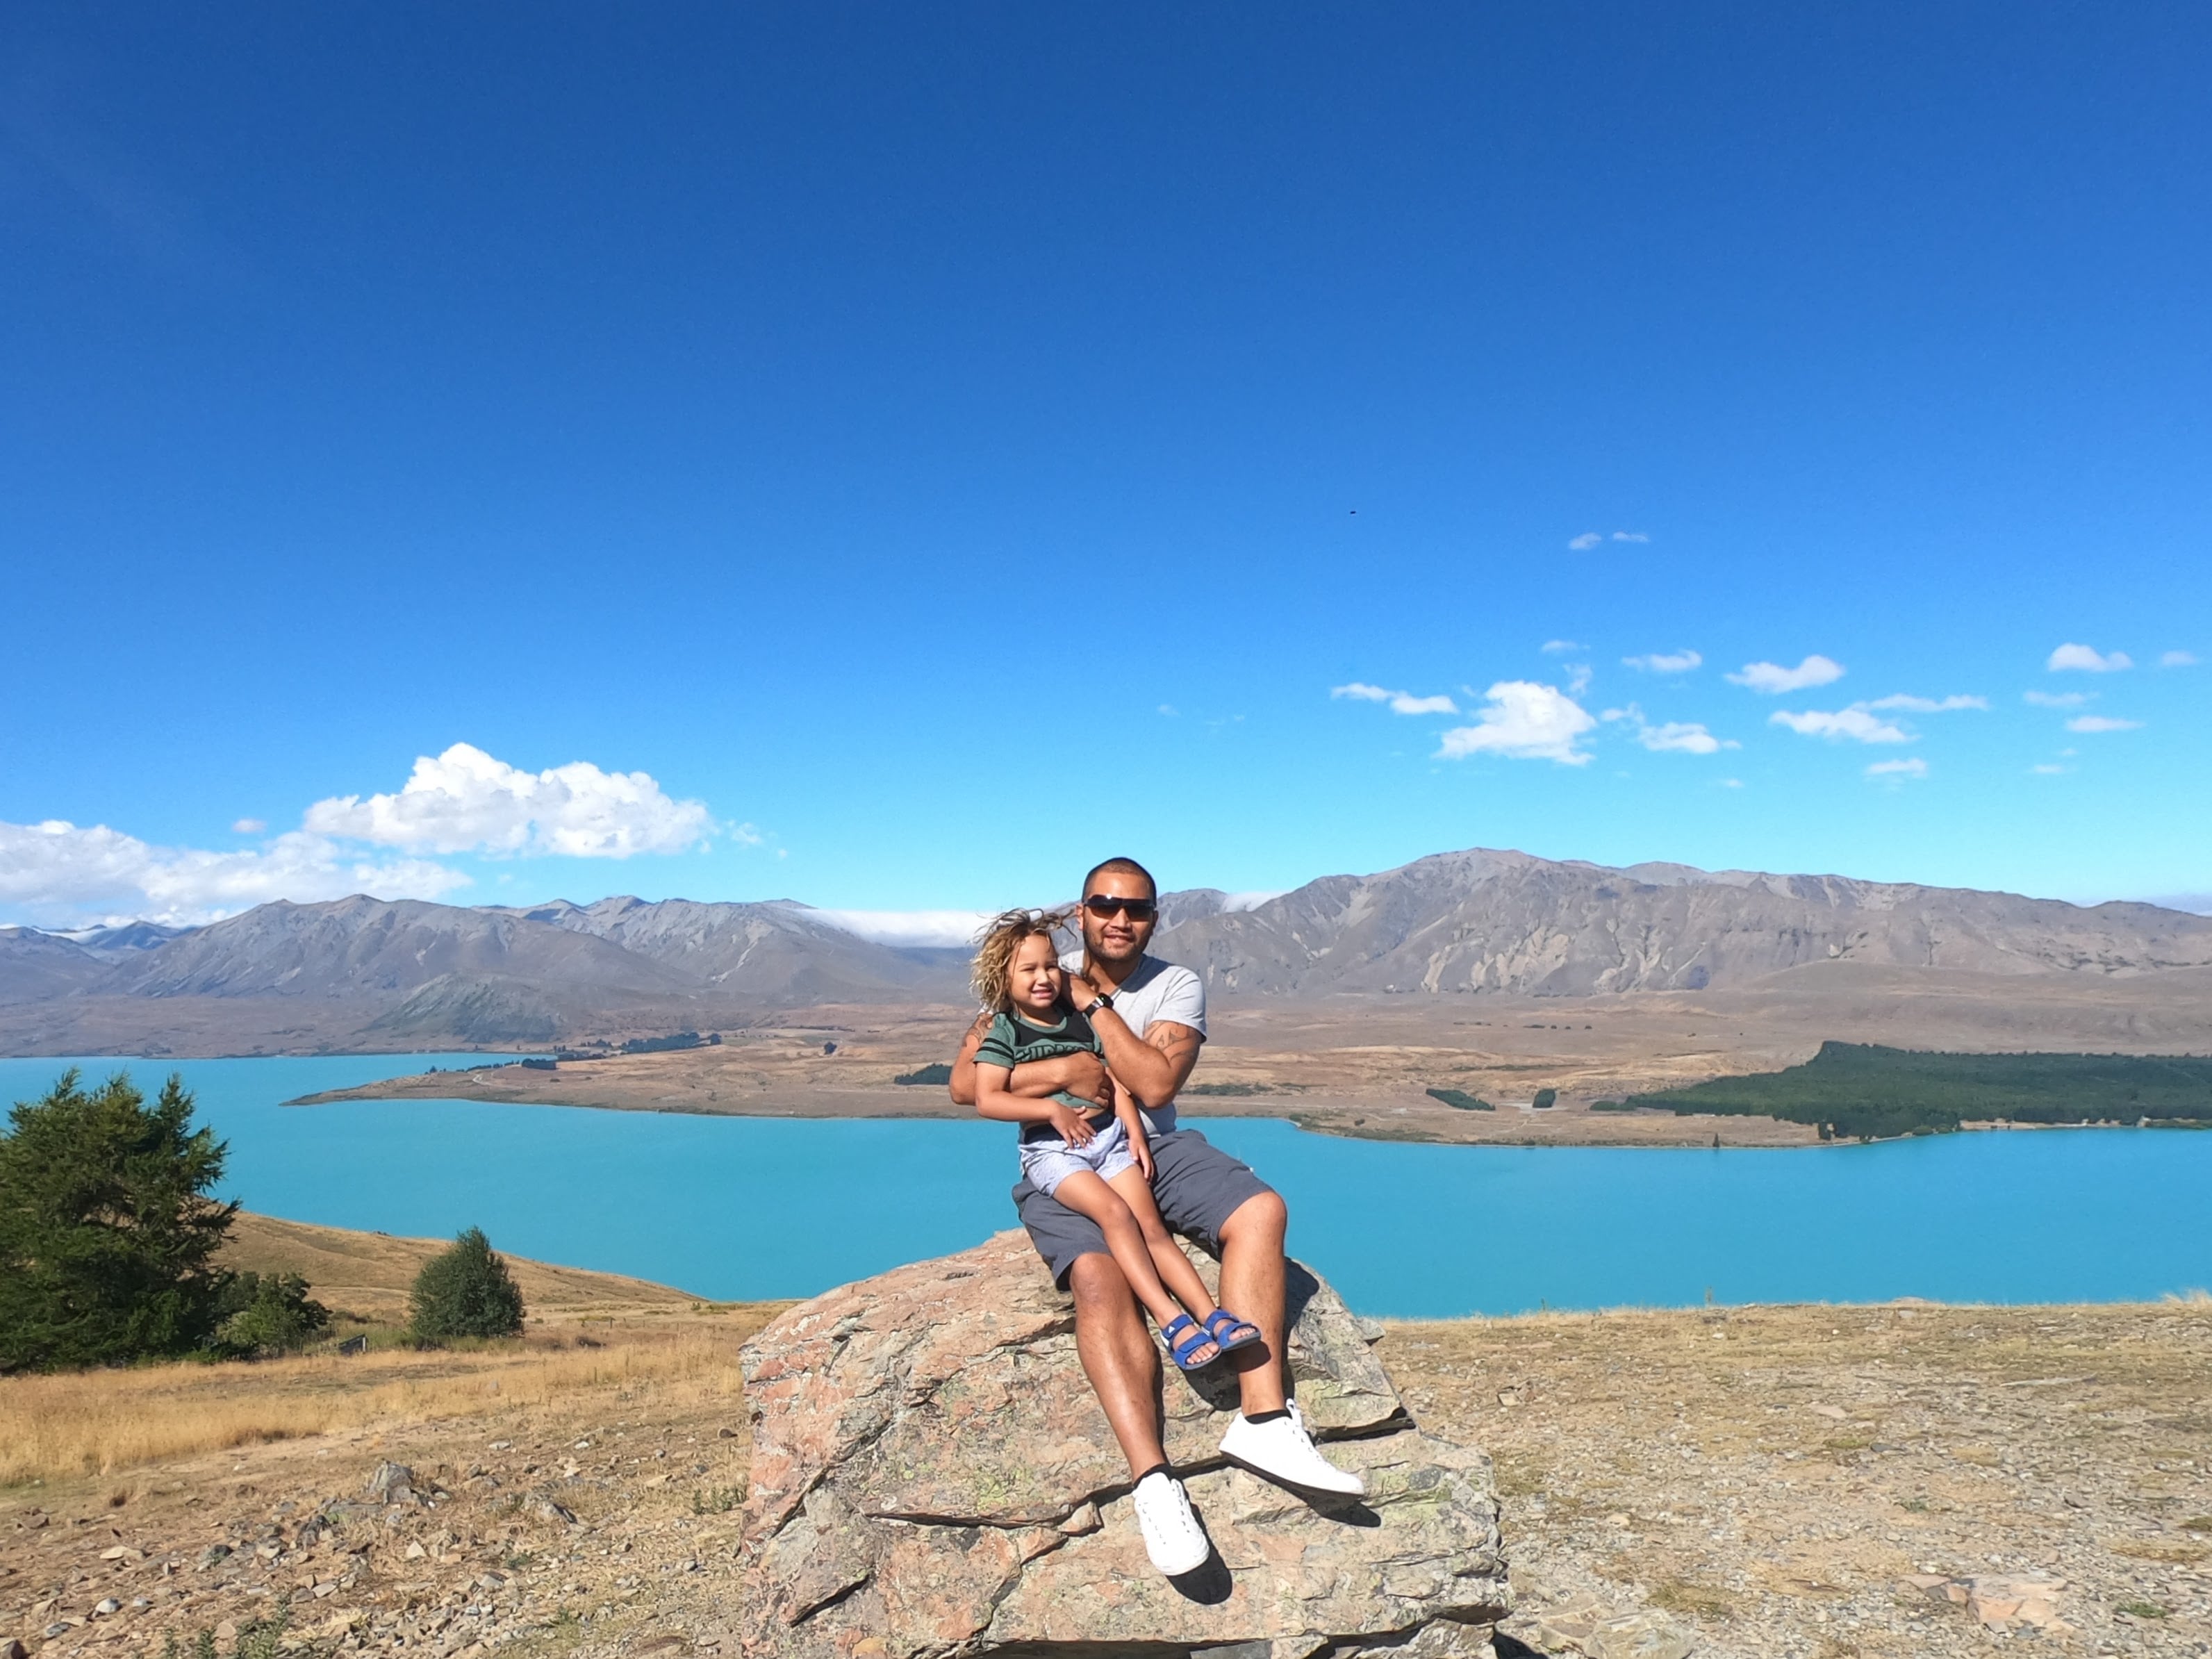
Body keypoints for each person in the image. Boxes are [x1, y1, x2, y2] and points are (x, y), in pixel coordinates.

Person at [950, 856, 1362, 1577]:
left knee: (1260, 1209)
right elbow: (965, 1085)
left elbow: (1155, 1080)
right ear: (1080, 911)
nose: (1119, 919)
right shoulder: (1034, 966)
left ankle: (1263, 1421)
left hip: (1154, 1143)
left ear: (1153, 918)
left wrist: (1098, 1011)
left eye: (1136, 909)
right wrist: (1067, 1077)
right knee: (1100, 1279)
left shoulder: (1172, 985)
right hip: (1067, 1153)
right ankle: (1154, 1483)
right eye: (1104, 905)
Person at [967, 907, 1264, 1377]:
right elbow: (985, 1097)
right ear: (1002, 978)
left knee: (1153, 1228)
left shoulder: (1076, 1019)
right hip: (1053, 1153)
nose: (1044, 977)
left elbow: (1115, 1083)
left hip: (1109, 1140)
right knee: (1115, 1215)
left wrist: (1133, 1136)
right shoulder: (1003, 1031)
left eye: (1050, 966)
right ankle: (1173, 1323)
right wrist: (1050, 1108)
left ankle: (1212, 1317)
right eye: (1028, 970)